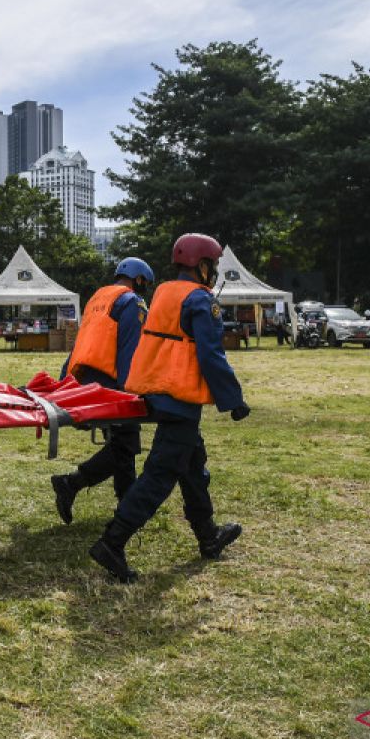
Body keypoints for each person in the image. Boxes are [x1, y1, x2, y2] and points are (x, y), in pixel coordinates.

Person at [87, 233, 248, 583]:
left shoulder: (162, 293)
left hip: (157, 391)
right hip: (179, 396)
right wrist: (233, 400)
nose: (216, 271)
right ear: (202, 265)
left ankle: (208, 536)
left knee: (192, 465)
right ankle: (112, 542)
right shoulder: (201, 301)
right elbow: (210, 353)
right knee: (160, 474)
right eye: (214, 264)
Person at [51, 257, 154, 525]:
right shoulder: (132, 302)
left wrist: (66, 380)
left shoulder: (98, 299)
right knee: (126, 445)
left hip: (86, 380)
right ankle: (71, 483)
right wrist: (131, 389)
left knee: (122, 443)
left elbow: (82, 343)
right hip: (111, 383)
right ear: (139, 279)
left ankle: (126, 506)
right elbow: (130, 348)